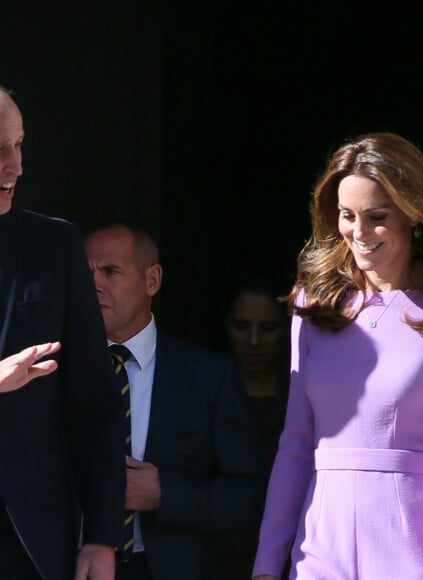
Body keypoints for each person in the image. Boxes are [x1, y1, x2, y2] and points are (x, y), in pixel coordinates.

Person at [252, 132, 423, 580]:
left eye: (376, 217)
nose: (358, 233)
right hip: (319, 545)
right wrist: (267, 562)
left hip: (411, 545)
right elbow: (296, 443)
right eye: (347, 216)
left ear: (412, 215)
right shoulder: (313, 305)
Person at [83, 220, 265, 579]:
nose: (94, 285)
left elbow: (249, 498)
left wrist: (166, 493)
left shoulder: (208, 376)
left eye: (110, 271)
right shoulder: (56, 371)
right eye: (85, 273)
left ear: (152, 280)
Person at [0, 86, 126, 579]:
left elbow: (95, 403)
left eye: (19, 144)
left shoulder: (53, 244)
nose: (16, 166)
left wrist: (100, 535)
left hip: (31, 545)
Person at [214, 276, 291, 579]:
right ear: (226, 326)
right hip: (218, 557)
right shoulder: (204, 395)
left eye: (268, 328)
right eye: (242, 327)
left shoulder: (303, 397)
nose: (254, 341)